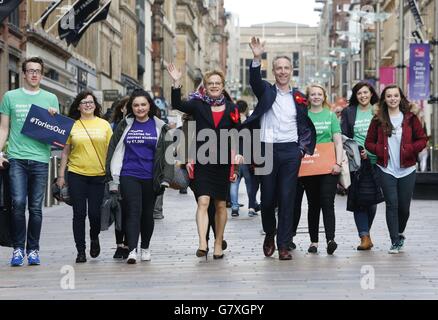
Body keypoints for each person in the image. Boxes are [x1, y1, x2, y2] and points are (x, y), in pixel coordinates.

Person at [243, 37, 316, 260]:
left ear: (291, 70)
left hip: (290, 152)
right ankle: (270, 234)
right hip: (267, 150)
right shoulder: (266, 91)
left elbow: (304, 125)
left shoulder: (299, 97)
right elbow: (254, 80)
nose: (283, 72)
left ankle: (283, 244)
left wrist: (301, 149)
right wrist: (257, 57)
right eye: (279, 68)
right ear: (273, 71)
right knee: (267, 200)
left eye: (286, 68)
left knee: (287, 198)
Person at [167, 63, 240, 260]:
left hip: (223, 162)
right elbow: (178, 104)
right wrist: (176, 82)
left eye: (217, 83)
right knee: (203, 201)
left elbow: (238, 134)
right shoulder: (198, 104)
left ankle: (218, 243)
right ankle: (202, 243)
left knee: (220, 205)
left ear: (223, 85)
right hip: (201, 160)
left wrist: (239, 156)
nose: (214, 86)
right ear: (205, 87)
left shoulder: (232, 108)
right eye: (210, 83)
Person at [0, 57, 59, 267]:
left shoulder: (51, 98)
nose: (34, 74)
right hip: (16, 157)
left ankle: (33, 250)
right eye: (30, 71)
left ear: (41, 75)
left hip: (40, 159)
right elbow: (4, 128)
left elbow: (55, 133)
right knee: (17, 204)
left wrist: (54, 118)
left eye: (37, 71)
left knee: (35, 208)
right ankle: (17, 248)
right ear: (23, 74)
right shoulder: (10, 96)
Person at [106, 89, 173, 264]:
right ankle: (132, 250)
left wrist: (166, 178)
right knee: (132, 212)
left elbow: (168, 154)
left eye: (143, 104)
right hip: (129, 174)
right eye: (136, 105)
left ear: (149, 106)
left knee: (147, 214)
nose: (140, 108)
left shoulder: (159, 127)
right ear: (131, 107)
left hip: (151, 177)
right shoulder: (125, 125)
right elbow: (113, 148)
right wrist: (112, 176)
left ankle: (145, 247)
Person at [365, 85, 427, 254]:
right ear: (384, 99)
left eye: (395, 96)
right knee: (391, 204)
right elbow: (368, 142)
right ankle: (394, 240)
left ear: (400, 98)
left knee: (404, 207)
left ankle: (400, 232)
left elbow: (422, 139)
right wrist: (379, 150)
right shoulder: (378, 119)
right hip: (386, 169)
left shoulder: (410, 118)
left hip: (407, 168)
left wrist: (411, 149)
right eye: (389, 96)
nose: (392, 99)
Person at [57, 91, 112, 263]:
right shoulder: (72, 125)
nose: (88, 105)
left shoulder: (104, 125)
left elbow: (112, 151)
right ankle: (80, 250)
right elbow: (65, 152)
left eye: (91, 102)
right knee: (79, 214)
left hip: (98, 175)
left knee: (95, 214)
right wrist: (60, 175)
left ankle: (94, 238)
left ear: (95, 105)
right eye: (84, 102)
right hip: (76, 174)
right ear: (78, 106)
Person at [300, 84, 343, 255]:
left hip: (328, 166)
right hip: (309, 166)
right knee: (313, 204)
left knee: (327, 202)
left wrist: (338, 163)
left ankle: (330, 239)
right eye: (313, 94)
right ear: (308, 97)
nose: (316, 97)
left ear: (324, 96)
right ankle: (314, 242)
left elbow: (338, 141)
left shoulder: (331, 116)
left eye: (319, 94)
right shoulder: (303, 116)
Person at [341, 81, 379, 250]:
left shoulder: (378, 111)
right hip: (357, 162)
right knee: (359, 200)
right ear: (355, 96)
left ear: (371, 94)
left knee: (372, 201)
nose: (363, 96)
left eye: (366, 92)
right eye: (359, 93)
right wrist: (355, 152)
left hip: (377, 161)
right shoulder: (349, 112)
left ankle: (367, 233)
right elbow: (344, 136)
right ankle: (364, 236)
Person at [108, 96, 130, 259]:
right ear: (121, 109)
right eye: (127, 107)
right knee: (117, 209)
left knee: (130, 210)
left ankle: (128, 242)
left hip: (131, 172)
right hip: (115, 173)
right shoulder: (113, 127)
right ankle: (119, 244)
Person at [229, 100, 258, 217]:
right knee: (250, 183)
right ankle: (251, 207)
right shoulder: (249, 122)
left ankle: (234, 207)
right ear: (246, 109)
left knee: (234, 182)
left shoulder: (232, 121)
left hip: (234, 155)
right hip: (247, 156)